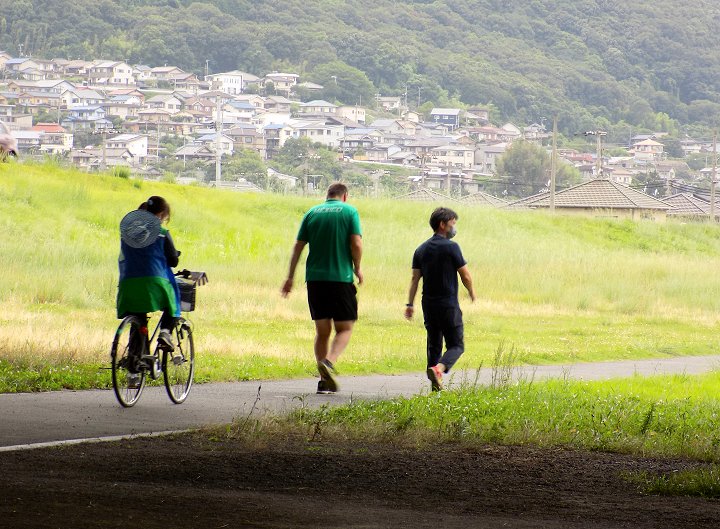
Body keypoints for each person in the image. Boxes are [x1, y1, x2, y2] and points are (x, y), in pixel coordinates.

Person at [282, 183, 363, 395]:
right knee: (345, 328)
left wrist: (290, 277)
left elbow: (298, 247)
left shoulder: (312, 213)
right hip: (341, 279)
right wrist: (357, 268)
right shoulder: (350, 211)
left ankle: (323, 381)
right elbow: (356, 243)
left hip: (315, 280)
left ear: (327, 195)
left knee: (322, 331)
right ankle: (329, 362)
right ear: (345, 196)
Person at [405, 207, 476, 391]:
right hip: (448, 304)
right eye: (452, 223)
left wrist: (410, 304)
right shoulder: (452, 247)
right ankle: (439, 369)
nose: (454, 227)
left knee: (434, 345)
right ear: (442, 225)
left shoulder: (421, 249)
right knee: (456, 345)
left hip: (428, 304)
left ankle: (435, 389)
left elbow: (414, 279)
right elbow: (465, 275)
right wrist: (471, 292)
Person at [117, 196, 181, 366]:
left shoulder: (127, 234)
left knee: (138, 319)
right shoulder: (162, 233)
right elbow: (173, 261)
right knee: (173, 302)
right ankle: (165, 333)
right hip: (154, 283)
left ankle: (135, 365)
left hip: (128, 284)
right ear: (161, 214)